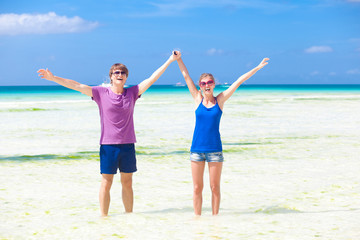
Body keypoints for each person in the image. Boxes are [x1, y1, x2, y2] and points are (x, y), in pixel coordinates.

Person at [37, 51, 181, 217]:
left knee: (127, 183)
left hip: (128, 145)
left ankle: (129, 217)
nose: (119, 74)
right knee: (107, 182)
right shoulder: (101, 93)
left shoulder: (132, 93)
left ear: (126, 77)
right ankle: (103, 218)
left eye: (122, 73)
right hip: (108, 145)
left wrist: (170, 60)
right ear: (111, 77)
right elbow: (77, 85)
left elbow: (151, 79)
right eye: (116, 72)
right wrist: (53, 78)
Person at [176, 56, 269, 215]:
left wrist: (258, 67)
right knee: (197, 188)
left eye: (210, 82)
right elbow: (186, 76)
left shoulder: (220, 100)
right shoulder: (197, 99)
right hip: (197, 150)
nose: (207, 85)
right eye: (204, 83)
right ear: (200, 86)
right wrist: (178, 59)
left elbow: (238, 81)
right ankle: (197, 220)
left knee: (214, 187)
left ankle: (215, 219)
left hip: (215, 150)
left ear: (213, 85)